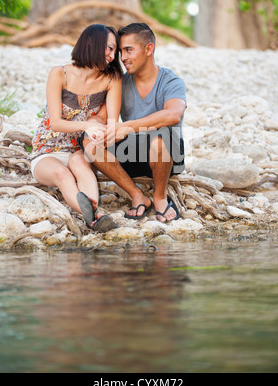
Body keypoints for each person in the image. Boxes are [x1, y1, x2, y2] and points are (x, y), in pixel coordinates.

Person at [81, 22, 186, 223]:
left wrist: (126, 127)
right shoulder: (121, 81)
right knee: (88, 141)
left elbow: (173, 114)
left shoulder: (172, 81)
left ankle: (160, 197)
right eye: (121, 51)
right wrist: (95, 127)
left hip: (166, 156)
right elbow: (101, 117)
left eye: (129, 50)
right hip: (131, 153)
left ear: (149, 49)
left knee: (159, 140)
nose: (123, 58)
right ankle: (137, 196)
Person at [29, 24, 123, 231]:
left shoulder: (112, 79)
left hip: (80, 148)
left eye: (114, 50)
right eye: (109, 48)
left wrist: (101, 131)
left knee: (79, 162)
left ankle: (94, 217)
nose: (112, 55)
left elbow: (112, 121)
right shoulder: (59, 73)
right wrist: (89, 124)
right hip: (47, 150)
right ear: (91, 42)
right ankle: (95, 217)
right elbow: (55, 123)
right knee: (63, 175)